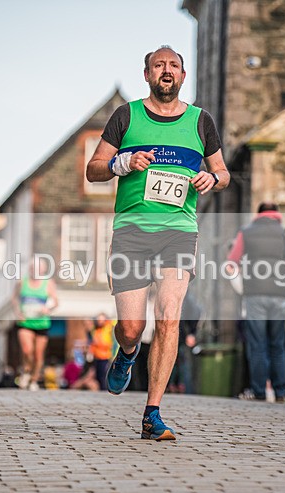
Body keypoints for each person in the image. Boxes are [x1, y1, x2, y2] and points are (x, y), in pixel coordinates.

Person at [86, 45, 229, 440]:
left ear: (182, 75)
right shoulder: (126, 115)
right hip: (131, 231)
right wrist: (122, 163)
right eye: (158, 65)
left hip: (179, 230)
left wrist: (212, 178)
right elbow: (93, 169)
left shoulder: (201, 121)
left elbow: (223, 172)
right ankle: (128, 352)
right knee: (132, 328)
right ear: (147, 74)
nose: (166, 70)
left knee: (168, 317)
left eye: (174, 65)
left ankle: (153, 413)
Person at [226, 202, 285, 402]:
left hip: (254, 294)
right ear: (276, 214)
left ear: (258, 214)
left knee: (258, 344)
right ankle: (280, 392)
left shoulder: (246, 232)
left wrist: (240, 283)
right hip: (280, 294)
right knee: (278, 344)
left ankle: (259, 391)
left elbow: (231, 263)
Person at [13, 265, 58, 390]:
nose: (35, 270)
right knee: (27, 350)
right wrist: (18, 312)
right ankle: (26, 372)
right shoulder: (22, 282)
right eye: (33, 268)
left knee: (38, 355)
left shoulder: (48, 283)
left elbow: (56, 302)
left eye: (38, 268)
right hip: (25, 322)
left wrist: (48, 309)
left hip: (41, 323)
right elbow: (14, 299)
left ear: (43, 270)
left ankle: (34, 379)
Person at [88, 313, 114, 391]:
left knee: (103, 376)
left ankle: (105, 391)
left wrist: (98, 343)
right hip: (97, 357)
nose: (99, 321)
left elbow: (109, 343)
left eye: (100, 320)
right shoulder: (96, 329)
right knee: (98, 376)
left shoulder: (108, 328)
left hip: (105, 357)